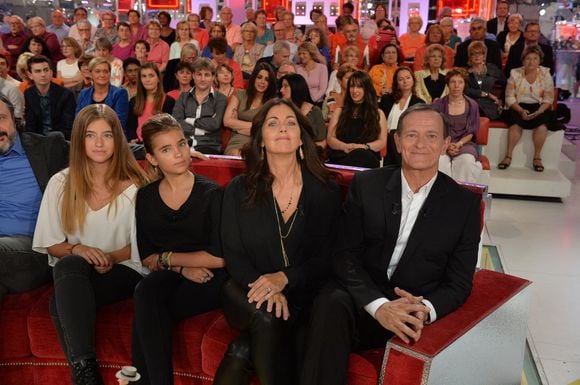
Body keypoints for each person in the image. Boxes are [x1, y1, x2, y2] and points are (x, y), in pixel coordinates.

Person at [300, 103, 481, 385]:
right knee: (330, 301)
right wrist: (379, 305)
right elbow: (345, 254)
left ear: (446, 143)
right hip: (361, 300)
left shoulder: (464, 205)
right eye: (411, 135)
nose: (420, 144)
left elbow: (459, 283)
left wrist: (426, 310)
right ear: (397, 141)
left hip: (411, 310)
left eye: (431, 136)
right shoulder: (367, 184)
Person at [214, 98, 342, 385]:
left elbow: (328, 257)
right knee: (269, 315)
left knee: (241, 350)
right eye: (273, 123)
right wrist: (267, 287)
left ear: (301, 138)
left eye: (290, 123)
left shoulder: (325, 190)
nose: (282, 128)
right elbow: (233, 254)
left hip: (303, 294)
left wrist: (285, 279)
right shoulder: (238, 189)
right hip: (246, 289)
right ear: (260, 140)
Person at [32, 104, 148, 385]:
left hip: (125, 269)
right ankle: (87, 374)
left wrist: (108, 257)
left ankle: (84, 376)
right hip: (75, 272)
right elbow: (51, 244)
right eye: (90, 135)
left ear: (117, 140)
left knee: (59, 304)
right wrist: (80, 250)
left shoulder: (138, 185)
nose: (98, 143)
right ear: (79, 139)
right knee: (70, 264)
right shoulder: (61, 182)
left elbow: (144, 246)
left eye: (107, 135)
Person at [131, 113, 226, 385]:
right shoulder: (146, 197)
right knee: (147, 292)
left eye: (181, 144)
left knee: (147, 307)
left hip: (211, 278)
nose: (179, 153)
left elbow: (219, 258)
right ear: (151, 158)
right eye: (166, 149)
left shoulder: (211, 193)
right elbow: (148, 256)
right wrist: (181, 266)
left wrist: (169, 259)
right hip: (172, 274)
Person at [0, 94, 68, 304]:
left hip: (34, 250)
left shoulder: (47, 148)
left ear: (15, 119)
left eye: (1, 118)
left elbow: (98, 149)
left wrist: (154, 149)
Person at [499, 45, 556, 172]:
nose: (531, 62)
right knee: (514, 125)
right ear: (523, 60)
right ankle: (508, 156)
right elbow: (509, 97)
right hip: (518, 106)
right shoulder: (515, 73)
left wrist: (539, 111)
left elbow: (548, 99)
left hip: (539, 107)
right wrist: (520, 110)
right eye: (528, 58)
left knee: (542, 126)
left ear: (539, 60)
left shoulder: (545, 74)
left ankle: (537, 157)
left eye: (535, 58)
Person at [327, 71, 388, 168]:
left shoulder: (378, 114)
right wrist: (346, 147)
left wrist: (363, 147)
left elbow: (382, 142)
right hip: (342, 156)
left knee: (361, 154)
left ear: (367, 89)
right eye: (352, 86)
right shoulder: (339, 112)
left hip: (367, 157)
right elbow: (330, 139)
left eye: (359, 87)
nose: (354, 91)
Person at [432, 68, 482, 183]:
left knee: (466, 161)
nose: (456, 86)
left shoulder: (472, 105)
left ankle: (461, 195)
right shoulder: (438, 105)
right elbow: (434, 131)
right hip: (442, 144)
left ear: (464, 84)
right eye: (453, 82)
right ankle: (441, 195)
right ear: (448, 85)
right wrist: (447, 145)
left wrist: (458, 144)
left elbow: (471, 132)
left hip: (465, 143)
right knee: (439, 161)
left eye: (460, 82)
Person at [173, 58, 227, 154]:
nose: (202, 79)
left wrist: (189, 120)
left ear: (213, 77)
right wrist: (201, 130)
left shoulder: (220, 99)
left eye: (206, 75)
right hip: (184, 144)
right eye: (199, 74)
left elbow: (215, 124)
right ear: (193, 75)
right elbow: (176, 122)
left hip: (209, 145)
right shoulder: (183, 97)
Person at [223, 63, 277, 156]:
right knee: (236, 154)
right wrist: (257, 126)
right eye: (259, 77)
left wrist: (237, 126)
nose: (262, 82)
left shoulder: (272, 103)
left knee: (253, 155)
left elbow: (268, 129)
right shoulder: (240, 95)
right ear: (254, 78)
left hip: (259, 142)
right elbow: (227, 121)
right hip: (237, 142)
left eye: (267, 79)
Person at [379, 66, 425, 166]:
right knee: (391, 136)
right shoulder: (386, 99)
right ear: (397, 83)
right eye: (401, 79)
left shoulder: (419, 103)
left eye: (408, 78)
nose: (405, 81)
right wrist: (382, 128)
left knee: (394, 135)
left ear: (413, 80)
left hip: (408, 140)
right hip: (385, 137)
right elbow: (377, 119)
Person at [24, 55, 76, 140]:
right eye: (38, 71)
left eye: (46, 70)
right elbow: (30, 125)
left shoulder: (66, 95)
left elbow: (68, 127)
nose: (43, 74)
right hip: (37, 140)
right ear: (30, 75)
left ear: (51, 72)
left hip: (61, 140)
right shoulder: (29, 93)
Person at [76, 57, 130, 135]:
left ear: (109, 73)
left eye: (106, 71)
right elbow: (78, 120)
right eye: (97, 71)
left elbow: (119, 122)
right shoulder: (83, 93)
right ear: (91, 74)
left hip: (113, 136)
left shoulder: (120, 93)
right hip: (87, 135)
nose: (102, 75)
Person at [127, 63, 176, 143]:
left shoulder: (169, 101)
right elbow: (131, 127)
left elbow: (171, 128)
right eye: (144, 76)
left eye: (151, 76)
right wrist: (132, 139)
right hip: (138, 145)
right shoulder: (134, 101)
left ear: (158, 79)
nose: (147, 80)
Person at [279, 73, 326, 147]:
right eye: (282, 86)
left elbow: (322, 142)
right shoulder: (280, 110)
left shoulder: (315, 111)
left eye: (285, 86)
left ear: (296, 87)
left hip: (310, 154)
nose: (281, 90)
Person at [465, 41, 506, 120]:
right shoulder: (466, 73)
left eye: (480, 53)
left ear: (484, 56)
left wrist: (501, 100)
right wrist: (487, 94)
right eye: (473, 53)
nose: (477, 56)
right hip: (472, 106)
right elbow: (466, 91)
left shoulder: (493, 70)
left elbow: (506, 84)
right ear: (470, 56)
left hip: (490, 107)